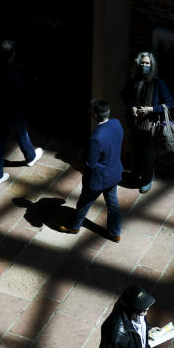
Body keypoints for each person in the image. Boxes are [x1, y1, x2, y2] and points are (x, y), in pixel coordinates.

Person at [58, 99, 123, 242]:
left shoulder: (96, 138)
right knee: (113, 204)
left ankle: (74, 226)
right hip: (114, 173)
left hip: (98, 178)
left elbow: (90, 163)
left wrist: (83, 154)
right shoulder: (117, 124)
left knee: (84, 202)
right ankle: (115, 232)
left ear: (95, 115)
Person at [0, 39, 42, 186]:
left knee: (0, 141)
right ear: (13, 53)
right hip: (14, 113)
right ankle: (30, 157)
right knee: (22, 134)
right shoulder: (15, 74)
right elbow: (21, 97)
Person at [121, 51, 173, 193]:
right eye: (142, 63)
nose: (144, 65)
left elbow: (170, 103)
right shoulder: (133, 79)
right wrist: (132, 107)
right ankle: (134, 175)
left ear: (152, 65)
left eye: (147, 63)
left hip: (151, 125)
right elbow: (125, 95)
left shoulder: (157, 82)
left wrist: (151, 109)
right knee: (135, 151)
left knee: (148, 154)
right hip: (135, 122)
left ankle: (147, 179)